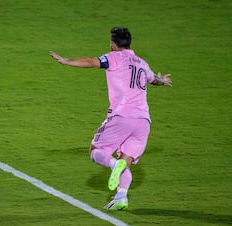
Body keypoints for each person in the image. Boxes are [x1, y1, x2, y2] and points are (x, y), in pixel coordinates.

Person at [49, 27, 172, 210]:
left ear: (113, 43)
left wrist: (66, 61)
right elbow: (153, 79)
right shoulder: (142, 63)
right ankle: (121, 197)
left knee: (95, 150)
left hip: (123, 115)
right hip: (144, 121)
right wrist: (162, 81)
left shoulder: (115, 57)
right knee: (126, 162)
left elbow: (91, 62)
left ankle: (114, 165)